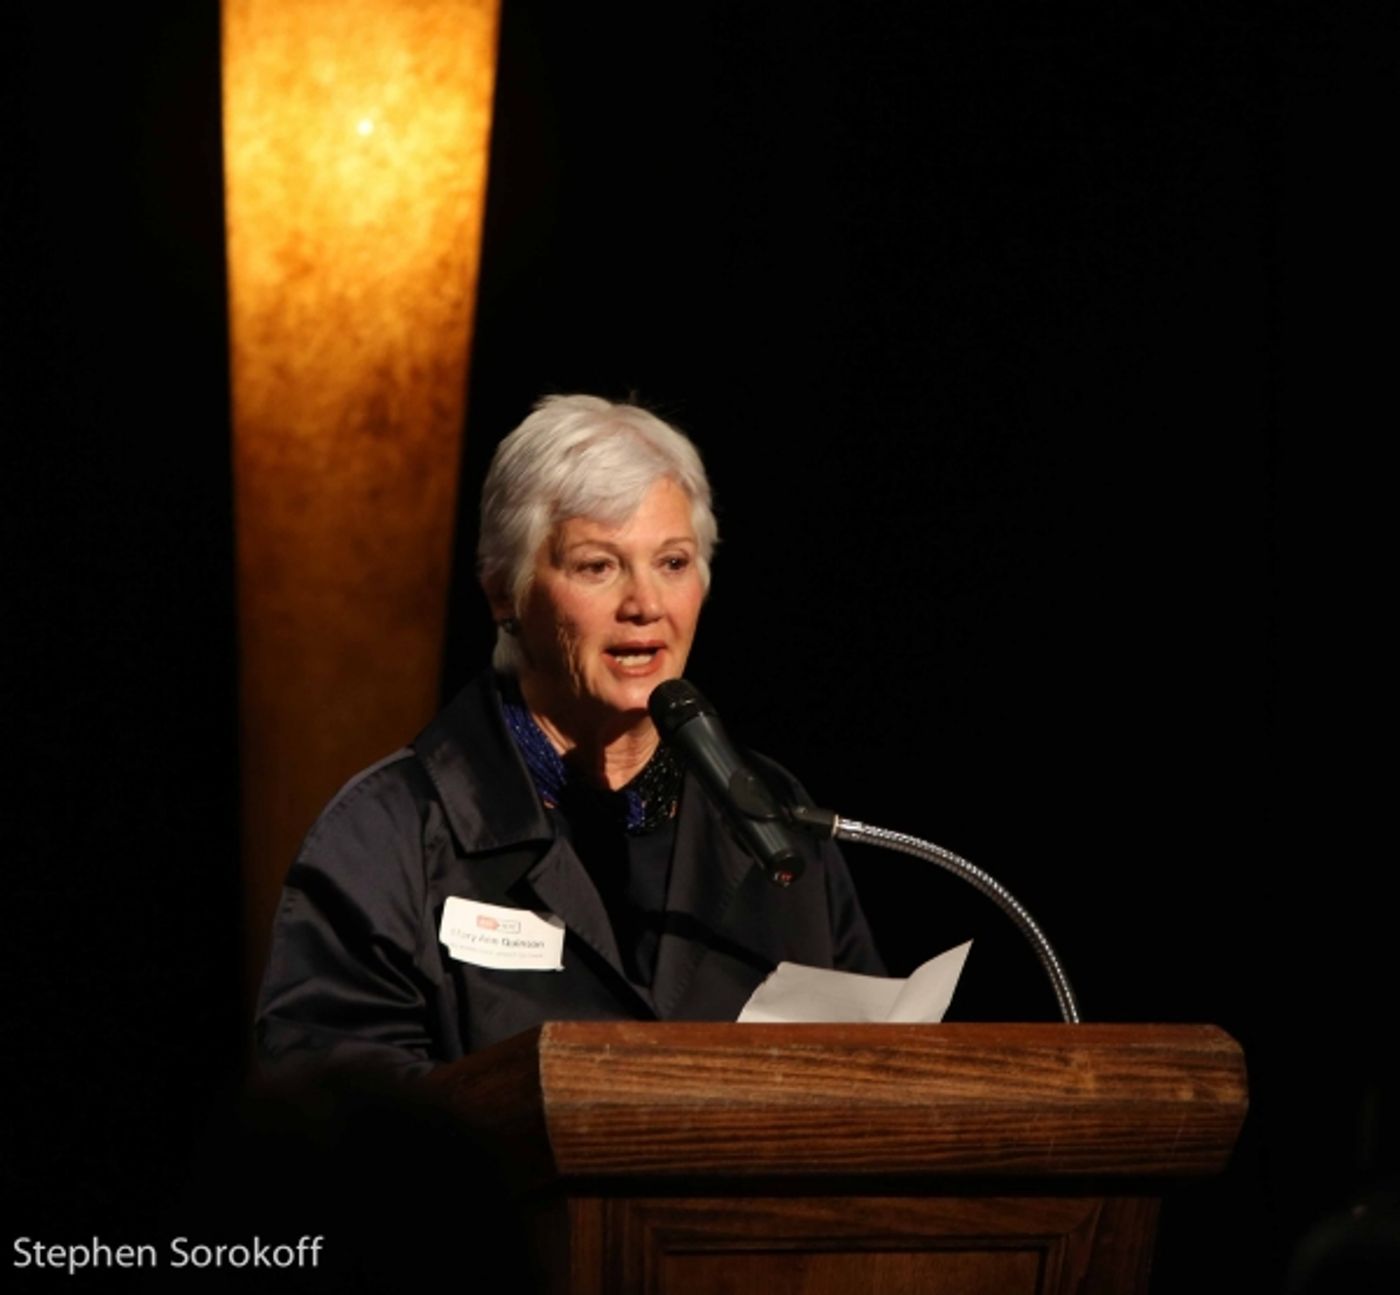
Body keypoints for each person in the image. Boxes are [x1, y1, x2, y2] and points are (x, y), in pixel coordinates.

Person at [255, 394, 884, 1077]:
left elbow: (876, 1073)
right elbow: (335, 1108)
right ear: (505, 590)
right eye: (597, 565)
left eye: (672, 563)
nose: (645, 604)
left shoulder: (774, 814)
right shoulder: (390, 831)